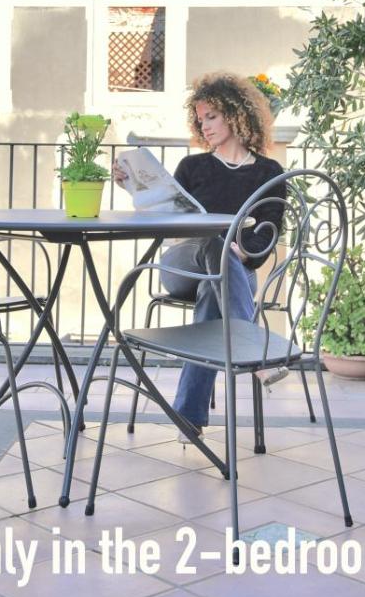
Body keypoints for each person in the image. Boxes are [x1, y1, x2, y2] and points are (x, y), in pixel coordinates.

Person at [113, 72, 286, 442]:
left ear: (237, 115)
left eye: (212, 116)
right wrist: (134, 187)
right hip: (182, 265)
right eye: (200, 119)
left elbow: (269, 231)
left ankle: (188, 418)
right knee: (213, 242)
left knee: (213, 289)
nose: (204, 125)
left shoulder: (269, 173)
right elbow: (166, 217)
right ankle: (253, 347)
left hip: (231, 273)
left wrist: (245, 251)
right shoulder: (192, 167)